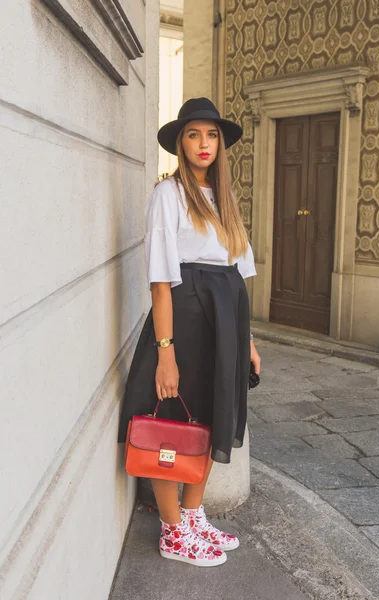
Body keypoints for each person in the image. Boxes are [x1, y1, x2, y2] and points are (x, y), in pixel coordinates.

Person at [118, 97, 261, 567]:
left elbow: (238, 271)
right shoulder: (168, 195)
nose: (204, 144)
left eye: (212, 135)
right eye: (194, 134)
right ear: (181, 142)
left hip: (226, 323)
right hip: (186, 320)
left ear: (221, 144)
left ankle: (194, 515)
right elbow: (161, 281)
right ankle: (172, 530)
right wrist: (166, 352)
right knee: (174, 421)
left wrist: (248, 341)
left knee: (211, 417)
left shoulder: (226, 199)